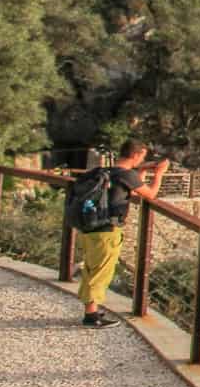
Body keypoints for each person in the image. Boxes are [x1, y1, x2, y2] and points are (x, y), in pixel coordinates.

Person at [72, 140, 169, 328]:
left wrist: (142, 171)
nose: (143, 160)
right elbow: (150, 194)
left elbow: (131, 187)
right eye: (142, 156)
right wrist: (159, 174)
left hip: (90, 228)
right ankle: (91, 316)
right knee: (101, 271)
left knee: (91, 268)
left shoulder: (104, 172)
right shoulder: (126, 175)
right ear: (136, 155)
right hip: (107, 231)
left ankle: (91, 308)